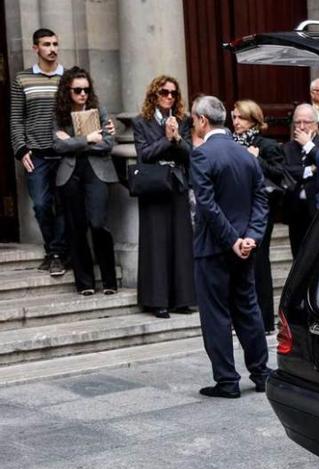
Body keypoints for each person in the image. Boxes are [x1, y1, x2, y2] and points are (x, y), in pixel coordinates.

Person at [189, 95, 270, 398]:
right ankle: (261, 373)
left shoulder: (202, 155)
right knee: (248, 309)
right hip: (244, 247)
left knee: (216, 314)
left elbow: (206, 206)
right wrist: (251, 237)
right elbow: (261, 200)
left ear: (202, 121)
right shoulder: (246, 155)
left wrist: (234, 240)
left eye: (194, 119)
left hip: (214, 248)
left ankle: (227, 380)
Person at [132, 75, 197, 319]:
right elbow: (144, 154)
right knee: (156, 242)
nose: (169, 97)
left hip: (177, 184)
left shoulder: (183, 121)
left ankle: (182, 298)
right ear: (154, 95)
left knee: (180, 240)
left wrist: (178, 139)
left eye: (173, 93)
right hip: (153, 185)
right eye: (164, 92)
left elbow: (190, 153)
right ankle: (156, 300)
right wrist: (166, 139)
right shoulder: (141, 122)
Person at [52, 67, 118, 296]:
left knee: (98, 223)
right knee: (76, 227)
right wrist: (89, 138)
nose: (83, 94)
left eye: (86, 90)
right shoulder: (60, 114)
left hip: (96, 172)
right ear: (67, 91)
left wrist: (74, 141)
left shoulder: (99, 111)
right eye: (77, 90)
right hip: (70, 174)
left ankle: (109, 280)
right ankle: (85, 283)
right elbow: (57, 145)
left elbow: (109, 143)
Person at [10, 28, 68, 276]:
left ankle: (56, 254)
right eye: (46, 44)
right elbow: (16, 118)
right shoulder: (22, 79)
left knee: (65, 204)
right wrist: (21, 149)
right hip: (36, 154)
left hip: (65, 152)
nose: (52, 49)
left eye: (55, 44)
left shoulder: (68, 78)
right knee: (42, 205)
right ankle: (55, 251)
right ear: (36, 48)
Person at [231, 99, 286, 335]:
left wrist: (257, 159)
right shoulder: (229, 143)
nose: (236, 122)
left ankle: (264, 320)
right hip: (236, 209)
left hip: (261, 211)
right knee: (236, 261)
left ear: (254, 120)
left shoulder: (267, 144)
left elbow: (280, 175)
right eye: (233, 117)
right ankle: (239, 317)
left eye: (241, 117)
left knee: (259, 260)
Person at [280, 103, 319, 257]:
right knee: (298, 256)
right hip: (295, 210)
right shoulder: (288, 147)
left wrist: (308, 145)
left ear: (316, 125)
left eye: (306, 122)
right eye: (297, 122)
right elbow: (285, 171)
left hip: (317, 210)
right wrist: (309, 170)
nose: (301, 126)